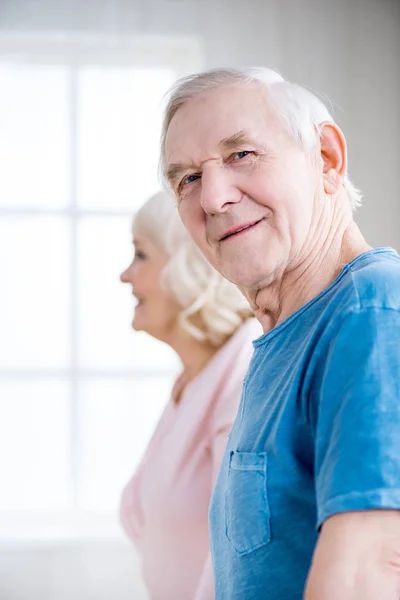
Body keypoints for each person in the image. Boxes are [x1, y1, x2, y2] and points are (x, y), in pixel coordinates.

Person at [160, 67, 400, 599]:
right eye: (188, 179)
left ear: (328, 159)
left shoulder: (373, 308)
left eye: (241, 154)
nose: (213, 198)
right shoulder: (282, 342)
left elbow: (374, 569)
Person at [119, 190, 260, 600]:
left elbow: (233, 562)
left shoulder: (241, 375)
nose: (125, 275)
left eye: (140, 255)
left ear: (188, 265)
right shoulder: (192, 380)